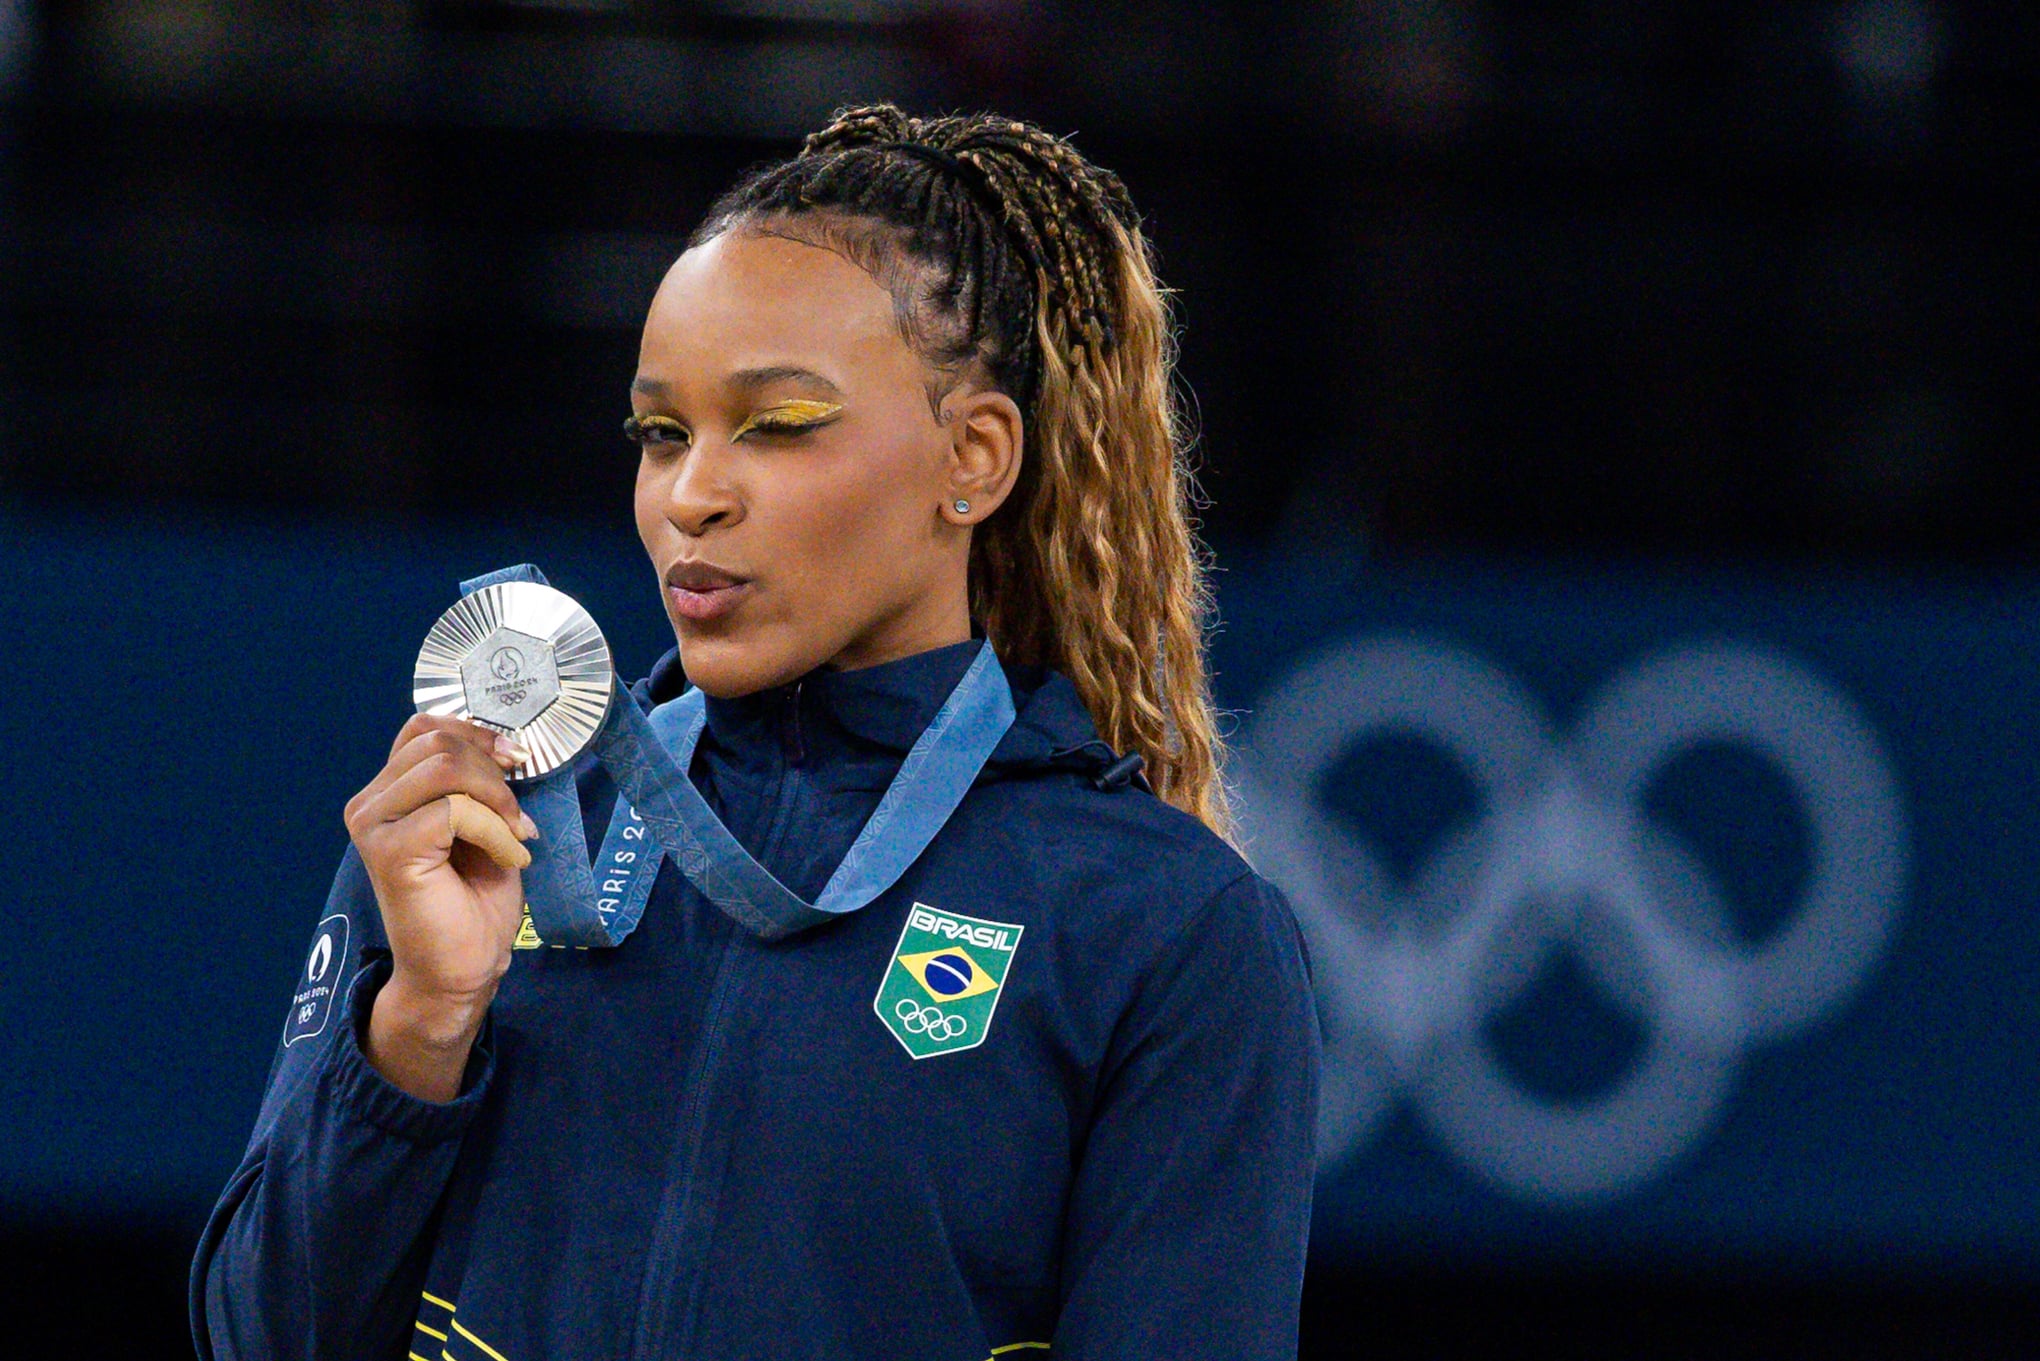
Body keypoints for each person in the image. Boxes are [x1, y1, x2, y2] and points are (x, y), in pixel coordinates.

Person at [191, 104, 1319, 1360]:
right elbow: (259, 1338)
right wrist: (419, 1026)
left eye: (778, 425)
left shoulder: (1159, 927)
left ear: (974, 456)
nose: (691, 495)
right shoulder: (488, 828)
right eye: (661, 433)